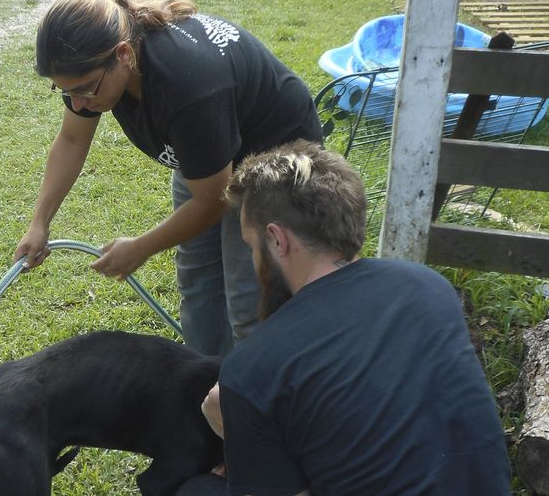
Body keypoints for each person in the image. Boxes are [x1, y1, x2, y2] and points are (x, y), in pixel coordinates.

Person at [185, 140, 512, 495]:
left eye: (252, 246)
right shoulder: (428, 287)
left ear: (277, 240)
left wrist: (237, 425)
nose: (254, 261)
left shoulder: (253, 369)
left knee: (200, 489)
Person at [13, 0, 323, 356]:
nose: (77, 103)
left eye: (84, 89)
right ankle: (205, 383)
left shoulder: (186, 86)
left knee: (248, 302)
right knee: (198, 280)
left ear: (124, 55)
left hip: (273, 158)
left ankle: (254, 399)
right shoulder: (92, 70)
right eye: (65, 91)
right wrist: (39, 223)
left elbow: (213, 199)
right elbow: (71, 140)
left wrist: (141, 248)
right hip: (209, 154)